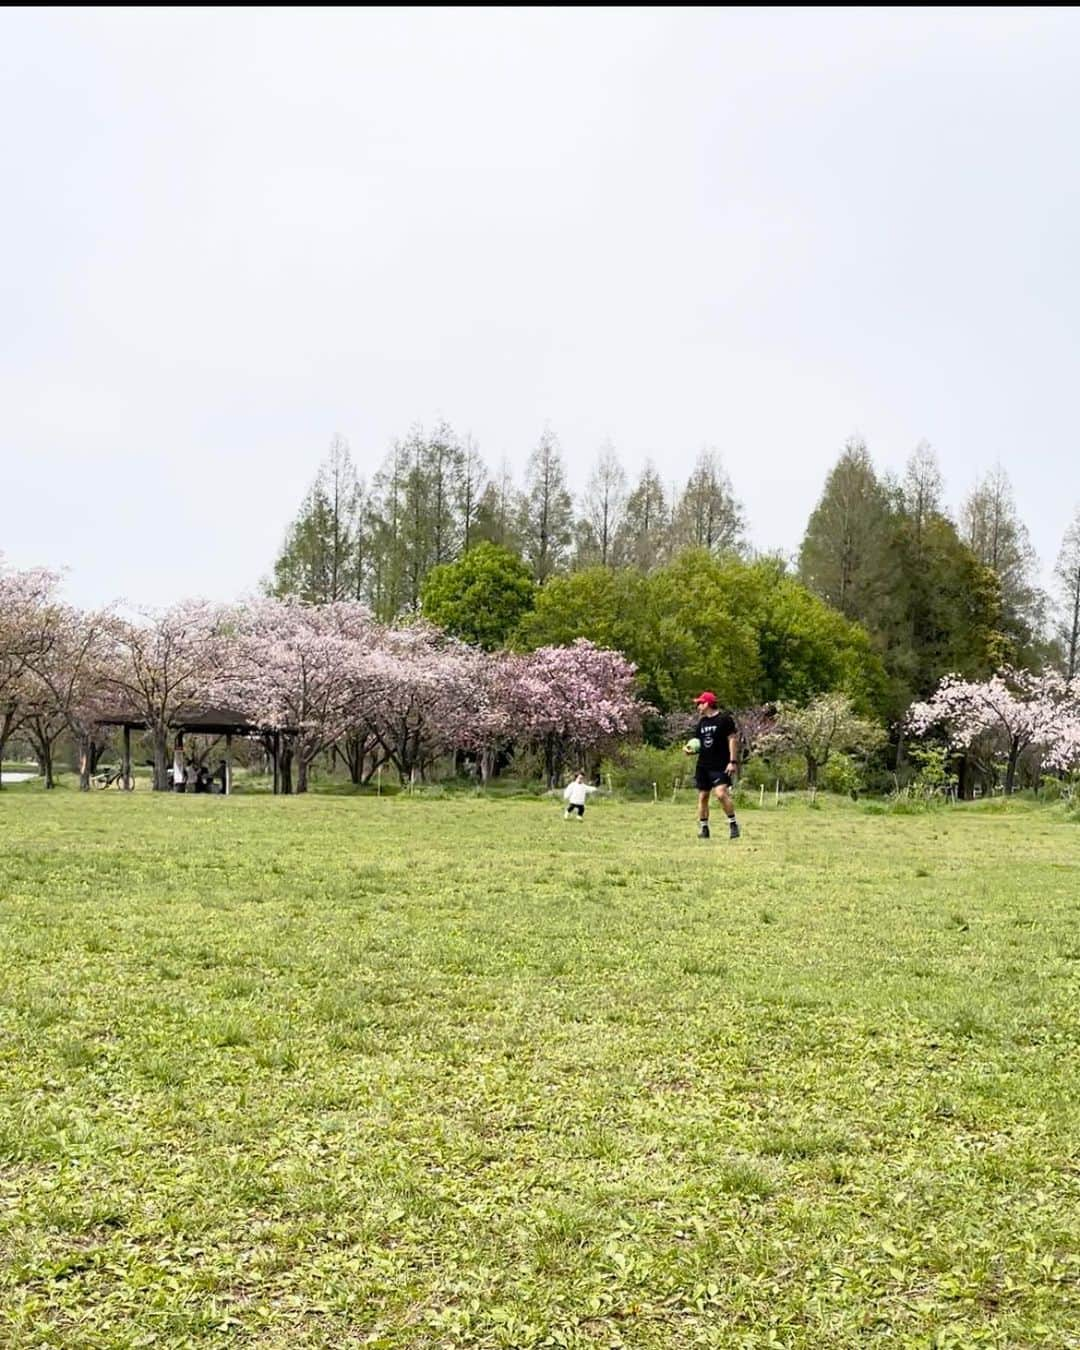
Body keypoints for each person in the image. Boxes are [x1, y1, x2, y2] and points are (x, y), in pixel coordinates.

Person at [684, 691, 740, 840]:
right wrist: (689, 750)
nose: (698, 707)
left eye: (700, 703)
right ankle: (704, 829)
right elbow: (698, 744)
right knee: (703, 797)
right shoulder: (702, 723)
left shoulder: (724, 719)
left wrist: (732, 761)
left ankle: (733, 824)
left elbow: (732, 739)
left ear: (707, 704)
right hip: (703, 765)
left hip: (721, 765)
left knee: (721, 794)